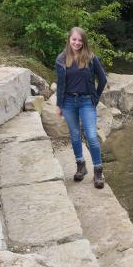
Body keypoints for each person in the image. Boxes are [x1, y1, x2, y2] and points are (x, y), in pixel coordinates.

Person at [55, 27, 108, 189]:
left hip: (86, 102)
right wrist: (59, 104)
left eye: (80, 40)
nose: (77, 43)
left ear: (84, 42)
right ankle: (81, 166)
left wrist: (95, 98)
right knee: (75, 135)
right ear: (69, 40)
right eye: (74, 40)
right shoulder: (61, 59)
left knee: (91, 136)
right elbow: (61, 84)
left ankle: (98, 171)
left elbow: (103, 79)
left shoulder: (91, 58)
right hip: (69, 102)